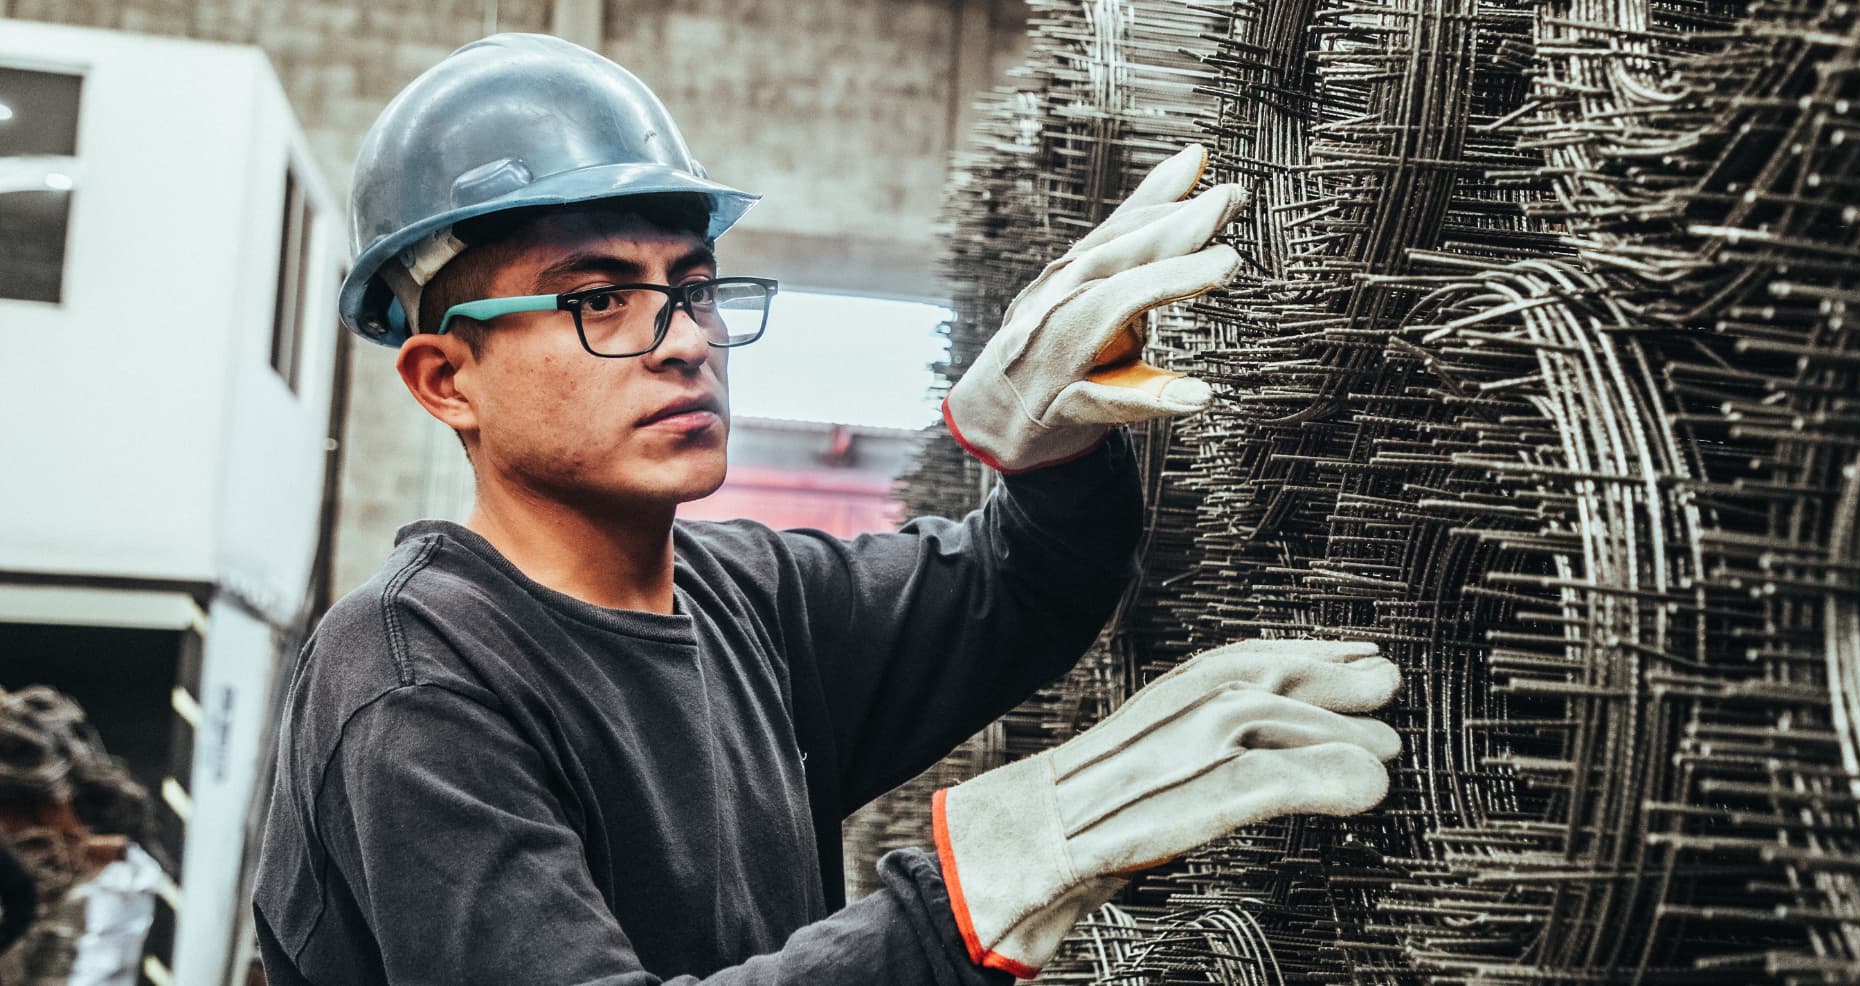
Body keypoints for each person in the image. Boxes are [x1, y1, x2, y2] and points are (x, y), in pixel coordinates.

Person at [251, 34, 1402, 986]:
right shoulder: (415, 678)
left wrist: (1044, 449)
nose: (689, 338)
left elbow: (1020, 593)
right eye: (603, 297)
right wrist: (979, 886)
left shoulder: (752, 598)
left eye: (694, 287)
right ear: (446, 378)